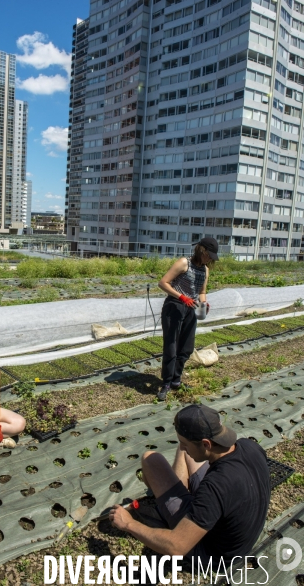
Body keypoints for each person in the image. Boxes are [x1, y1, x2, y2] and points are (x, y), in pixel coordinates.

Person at [109, 404, 271, 566]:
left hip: (215, 555)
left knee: (150, 460)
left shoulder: (214, 487)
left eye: (184, 443)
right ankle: (179, 496)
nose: (181, 447)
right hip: (239, 534)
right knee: (184, 453)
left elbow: (176, 547)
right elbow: (220, 484)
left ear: (207, 444)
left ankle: (172, 505)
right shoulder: (249, 446)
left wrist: (128, 524)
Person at [157, 237, 219, 401]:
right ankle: (167, 383)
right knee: (171, 346)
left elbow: (202, 291)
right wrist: (181, 297)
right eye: (209, 255)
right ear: (202, 251)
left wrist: (203, 303)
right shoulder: (184, 263)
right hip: (174, 307)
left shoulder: (205, 270)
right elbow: (163, 283)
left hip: (191, 308)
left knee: (186, 347)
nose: (210, 259)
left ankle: (177, 380)